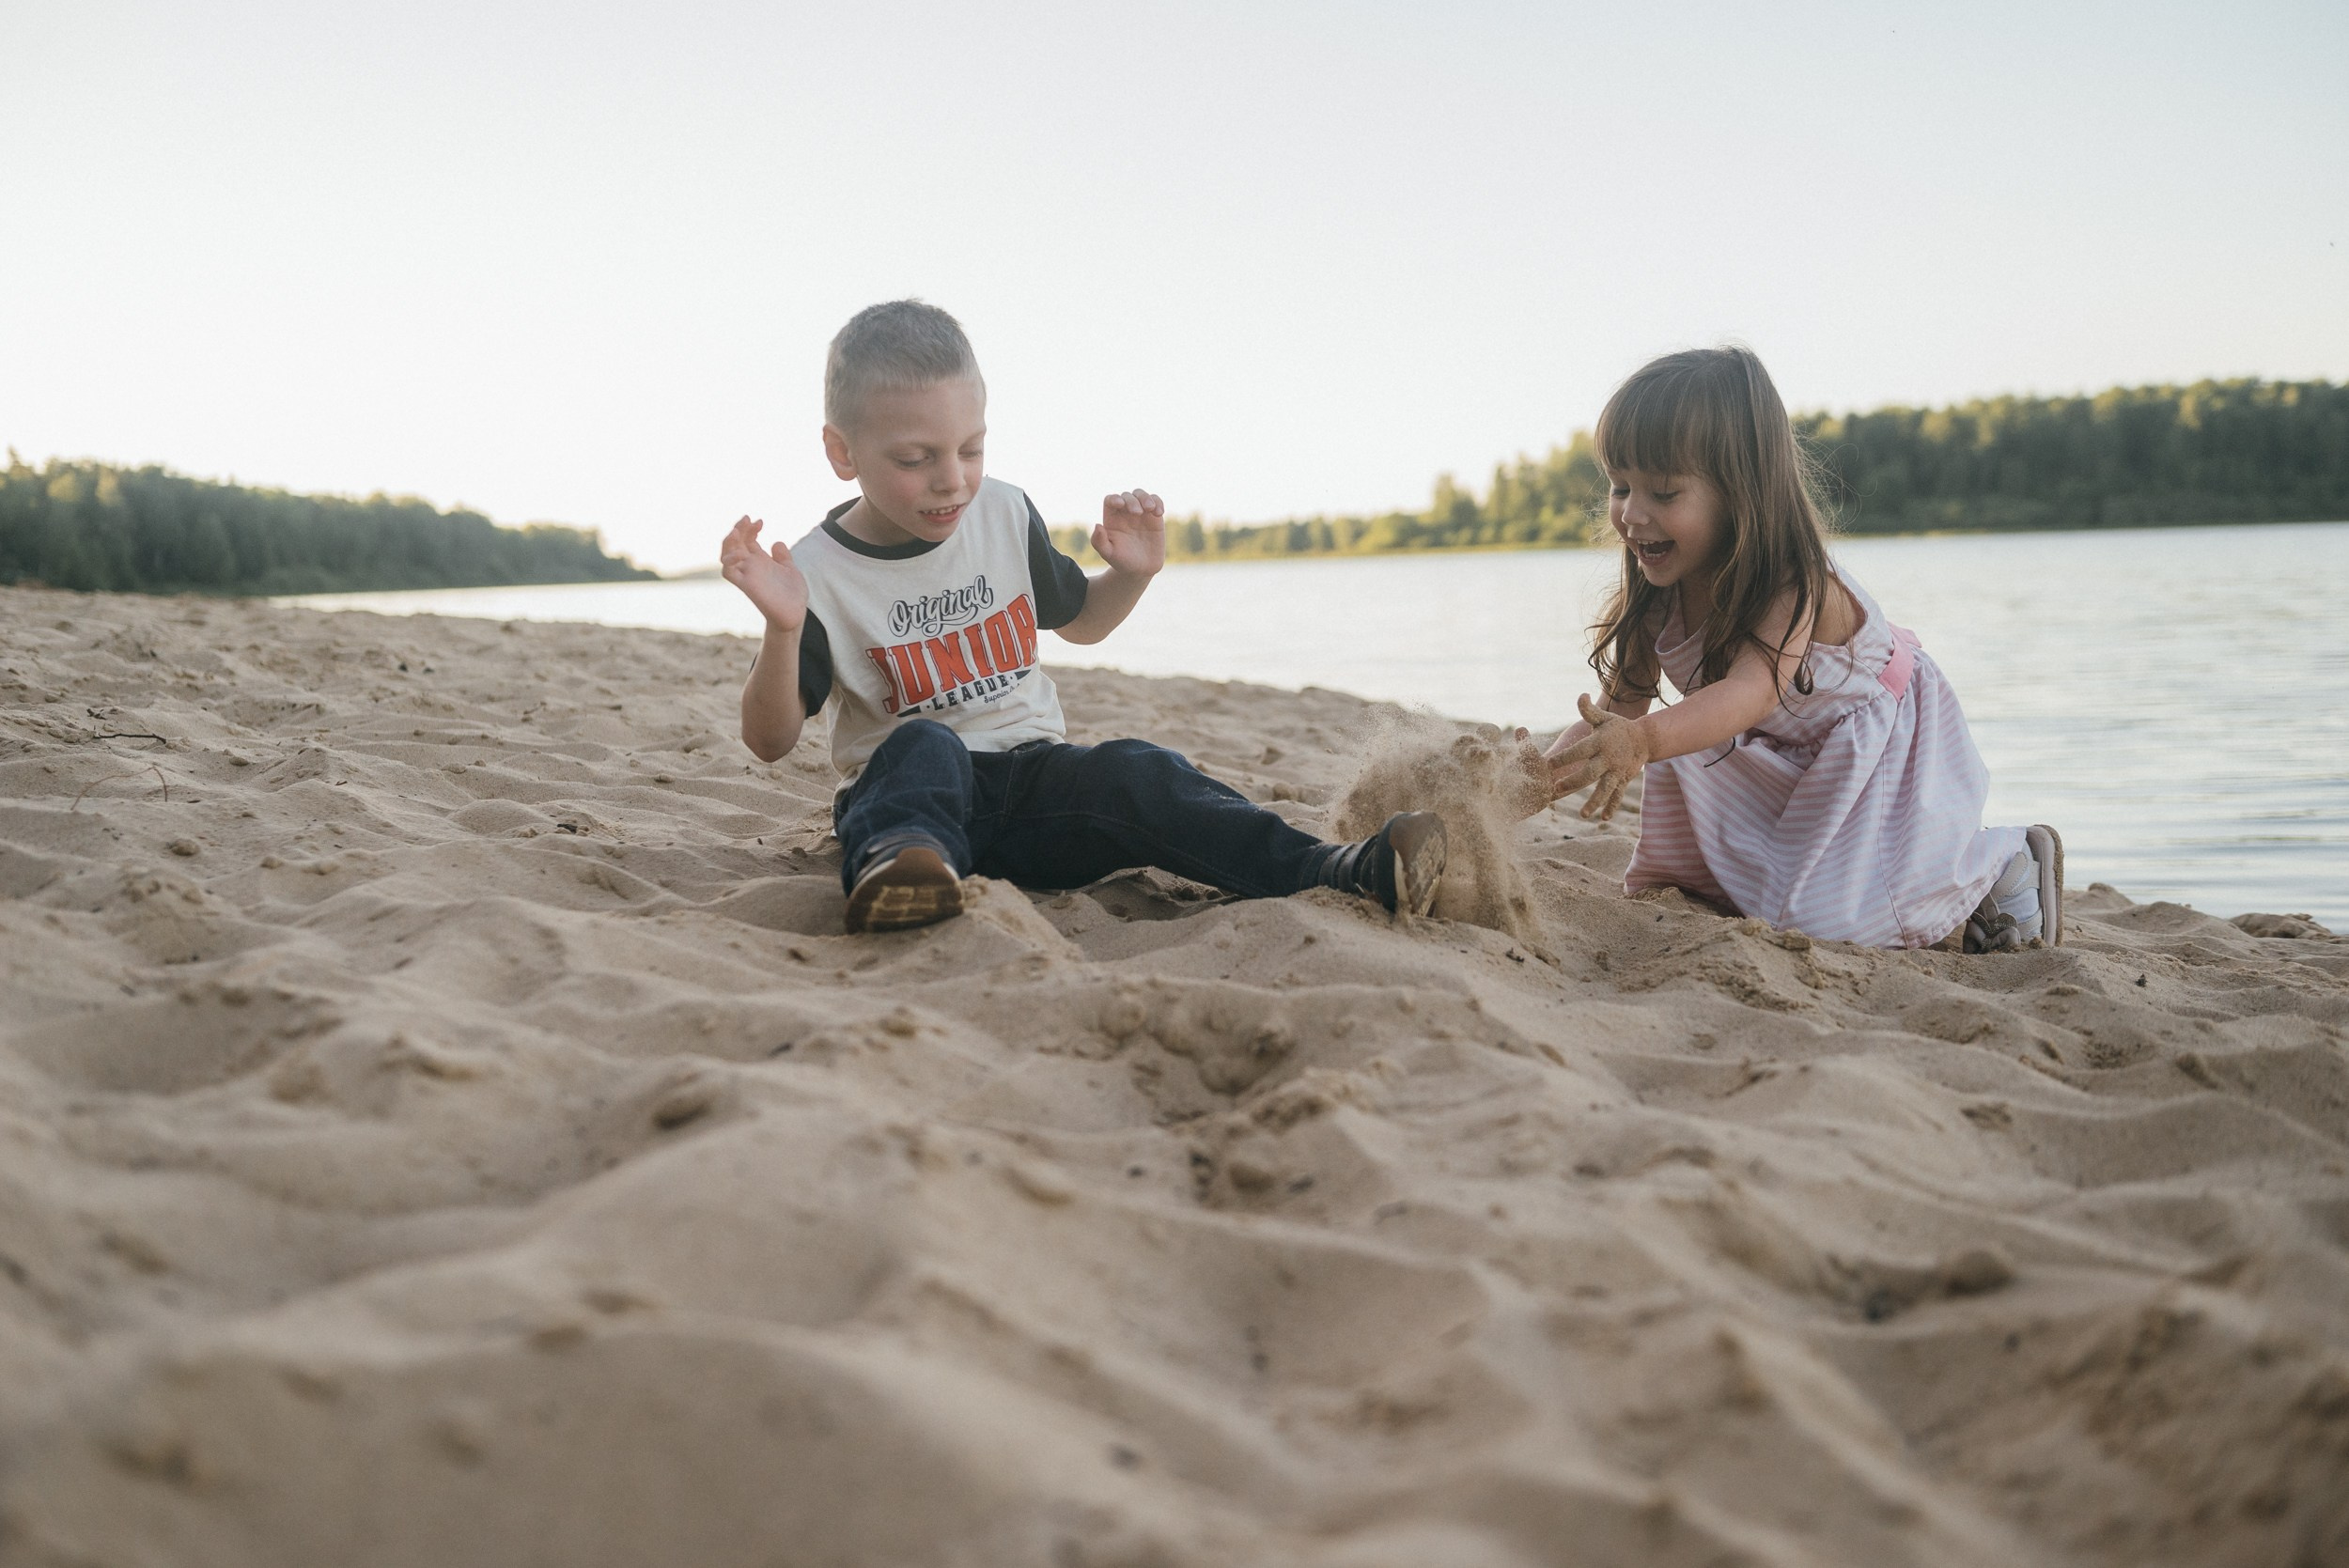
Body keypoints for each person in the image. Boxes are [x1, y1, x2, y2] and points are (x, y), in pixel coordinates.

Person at [721, 299, 1446, 934]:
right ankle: (903, 876)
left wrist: (1130, 575)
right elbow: (769, 738)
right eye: (916, 458)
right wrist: (784, 627)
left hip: (1037, 790)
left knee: (1138, 769)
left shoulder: (1002, 511)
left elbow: (1081, 622)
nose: (952, 478)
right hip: (916, 808)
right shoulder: (817, 571)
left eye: (971, 448)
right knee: (923, 747)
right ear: (842, 452)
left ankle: (1339, 868)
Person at [1542, 346, 2061, 952]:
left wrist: (1644, 740)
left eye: (1662, 492)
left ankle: (2006, 862)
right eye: (1620, 486)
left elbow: (1748, 693)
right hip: (1775, 745)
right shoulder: (1658, 596)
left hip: (1876, 740)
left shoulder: (1792, 583)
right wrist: (1522, 786)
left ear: (1740, 494)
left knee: (1841, 923)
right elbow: (1618, 714)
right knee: (1712, 862)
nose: (1630, 514)